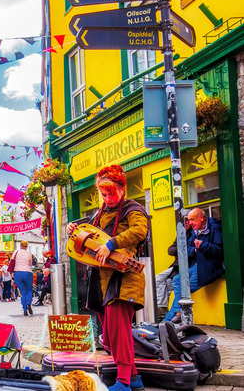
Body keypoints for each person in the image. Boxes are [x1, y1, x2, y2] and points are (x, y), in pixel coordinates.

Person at [67, 164, 148, 391]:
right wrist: (75, 229)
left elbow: (140, 230)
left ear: (122, 188)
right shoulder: (100, 213)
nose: (108, 198)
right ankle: (133, 378)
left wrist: (112, 243)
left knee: (119, 333)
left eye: (112, 193)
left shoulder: (133, 209)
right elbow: (89, 236)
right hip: (101, 282)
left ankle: (123, 382)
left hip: (125, 279)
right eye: (103, 194)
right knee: (110, 337)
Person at [164, 208, 225, 323]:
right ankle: (176, 314)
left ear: (201, 218)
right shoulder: (195, 230)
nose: (190, 222)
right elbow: (188, 247)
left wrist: (202, 246)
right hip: (198, 264)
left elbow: (219, 251)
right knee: (177, 280)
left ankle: (169, 320)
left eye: (192, 219)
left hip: (210, 267)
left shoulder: (215, 228)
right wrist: (196, 250)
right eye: (189, 220)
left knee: (183, 288)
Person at [12, 240, 36, 316]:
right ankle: (29, 303)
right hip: (27, 272)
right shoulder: (29, 254)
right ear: (27, 247)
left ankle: (25, 309)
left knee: (22, 292)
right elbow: (30, 264)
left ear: (20, 246)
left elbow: (12, 261)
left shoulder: (16, 252)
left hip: (18, 273)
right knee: (29, 290)